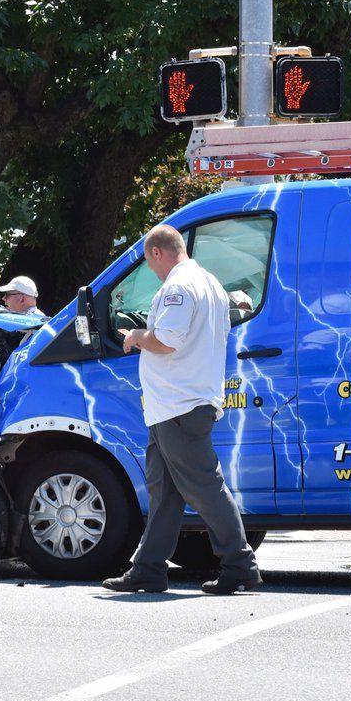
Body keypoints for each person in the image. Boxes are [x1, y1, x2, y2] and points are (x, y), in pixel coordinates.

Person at [103, 225, 261, 595]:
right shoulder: (209, 283)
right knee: (165, 493)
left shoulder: (177, 287)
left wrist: (136, 336)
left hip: (179, 404)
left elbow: (165, 342)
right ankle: (148, 568)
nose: (150, 268)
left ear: (158, 252)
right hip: (176, 405)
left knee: (205, 486)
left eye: (148, 260)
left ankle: (240, 564)